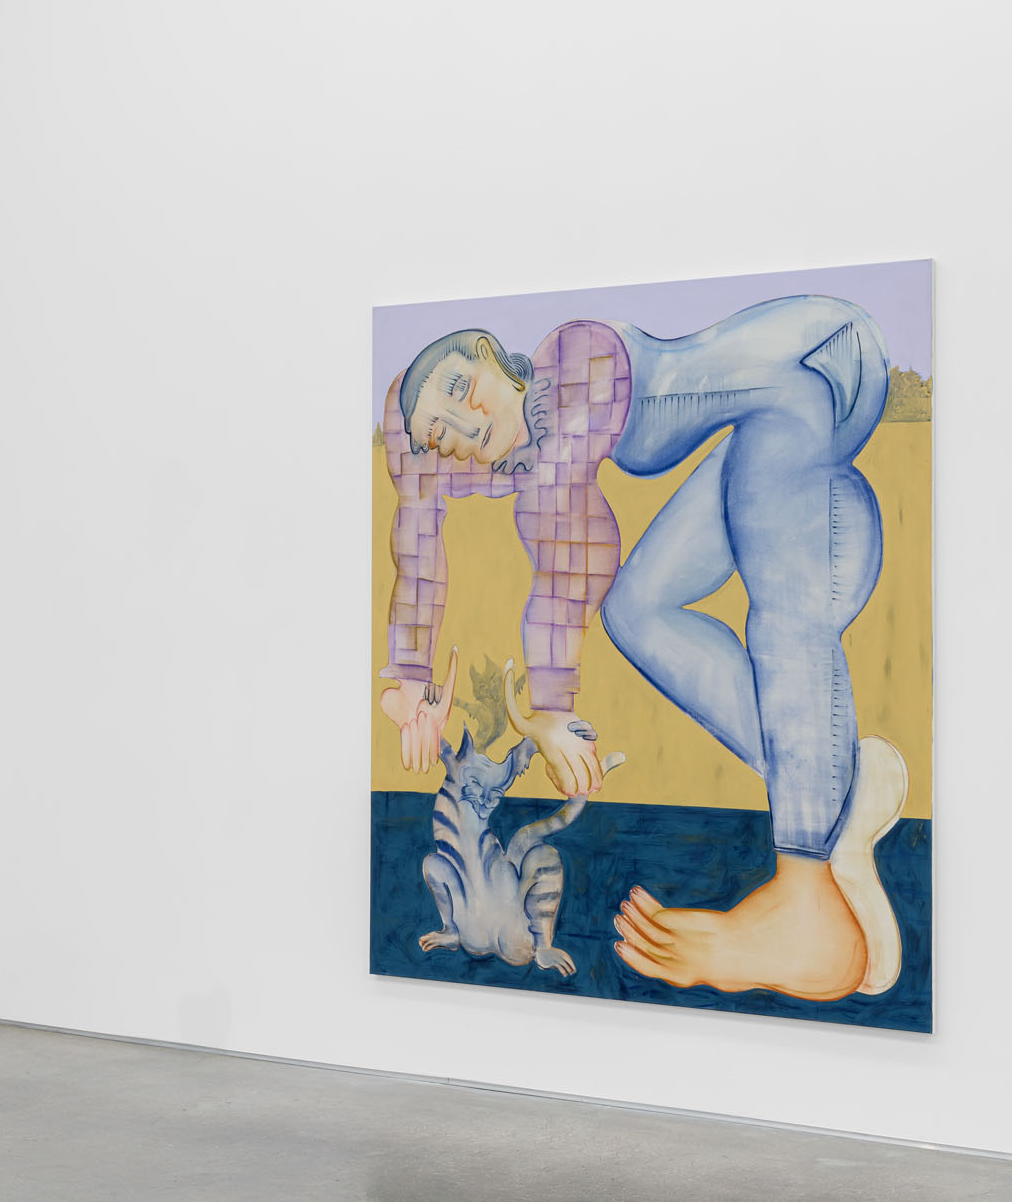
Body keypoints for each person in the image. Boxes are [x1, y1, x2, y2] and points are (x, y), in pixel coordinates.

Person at [379, 296, 908, 1002]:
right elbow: (419, 524)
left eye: (459, 388)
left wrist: (552, 707)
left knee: (779, 579)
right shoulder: (508, 446)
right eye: (441, 433)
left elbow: (569, 547)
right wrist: (408, 675)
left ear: (490, 355)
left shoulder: (576, 362)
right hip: (765, 422)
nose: (465, 422)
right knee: (636, 610)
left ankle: (808, 902)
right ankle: (840, 795)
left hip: (820, 372)